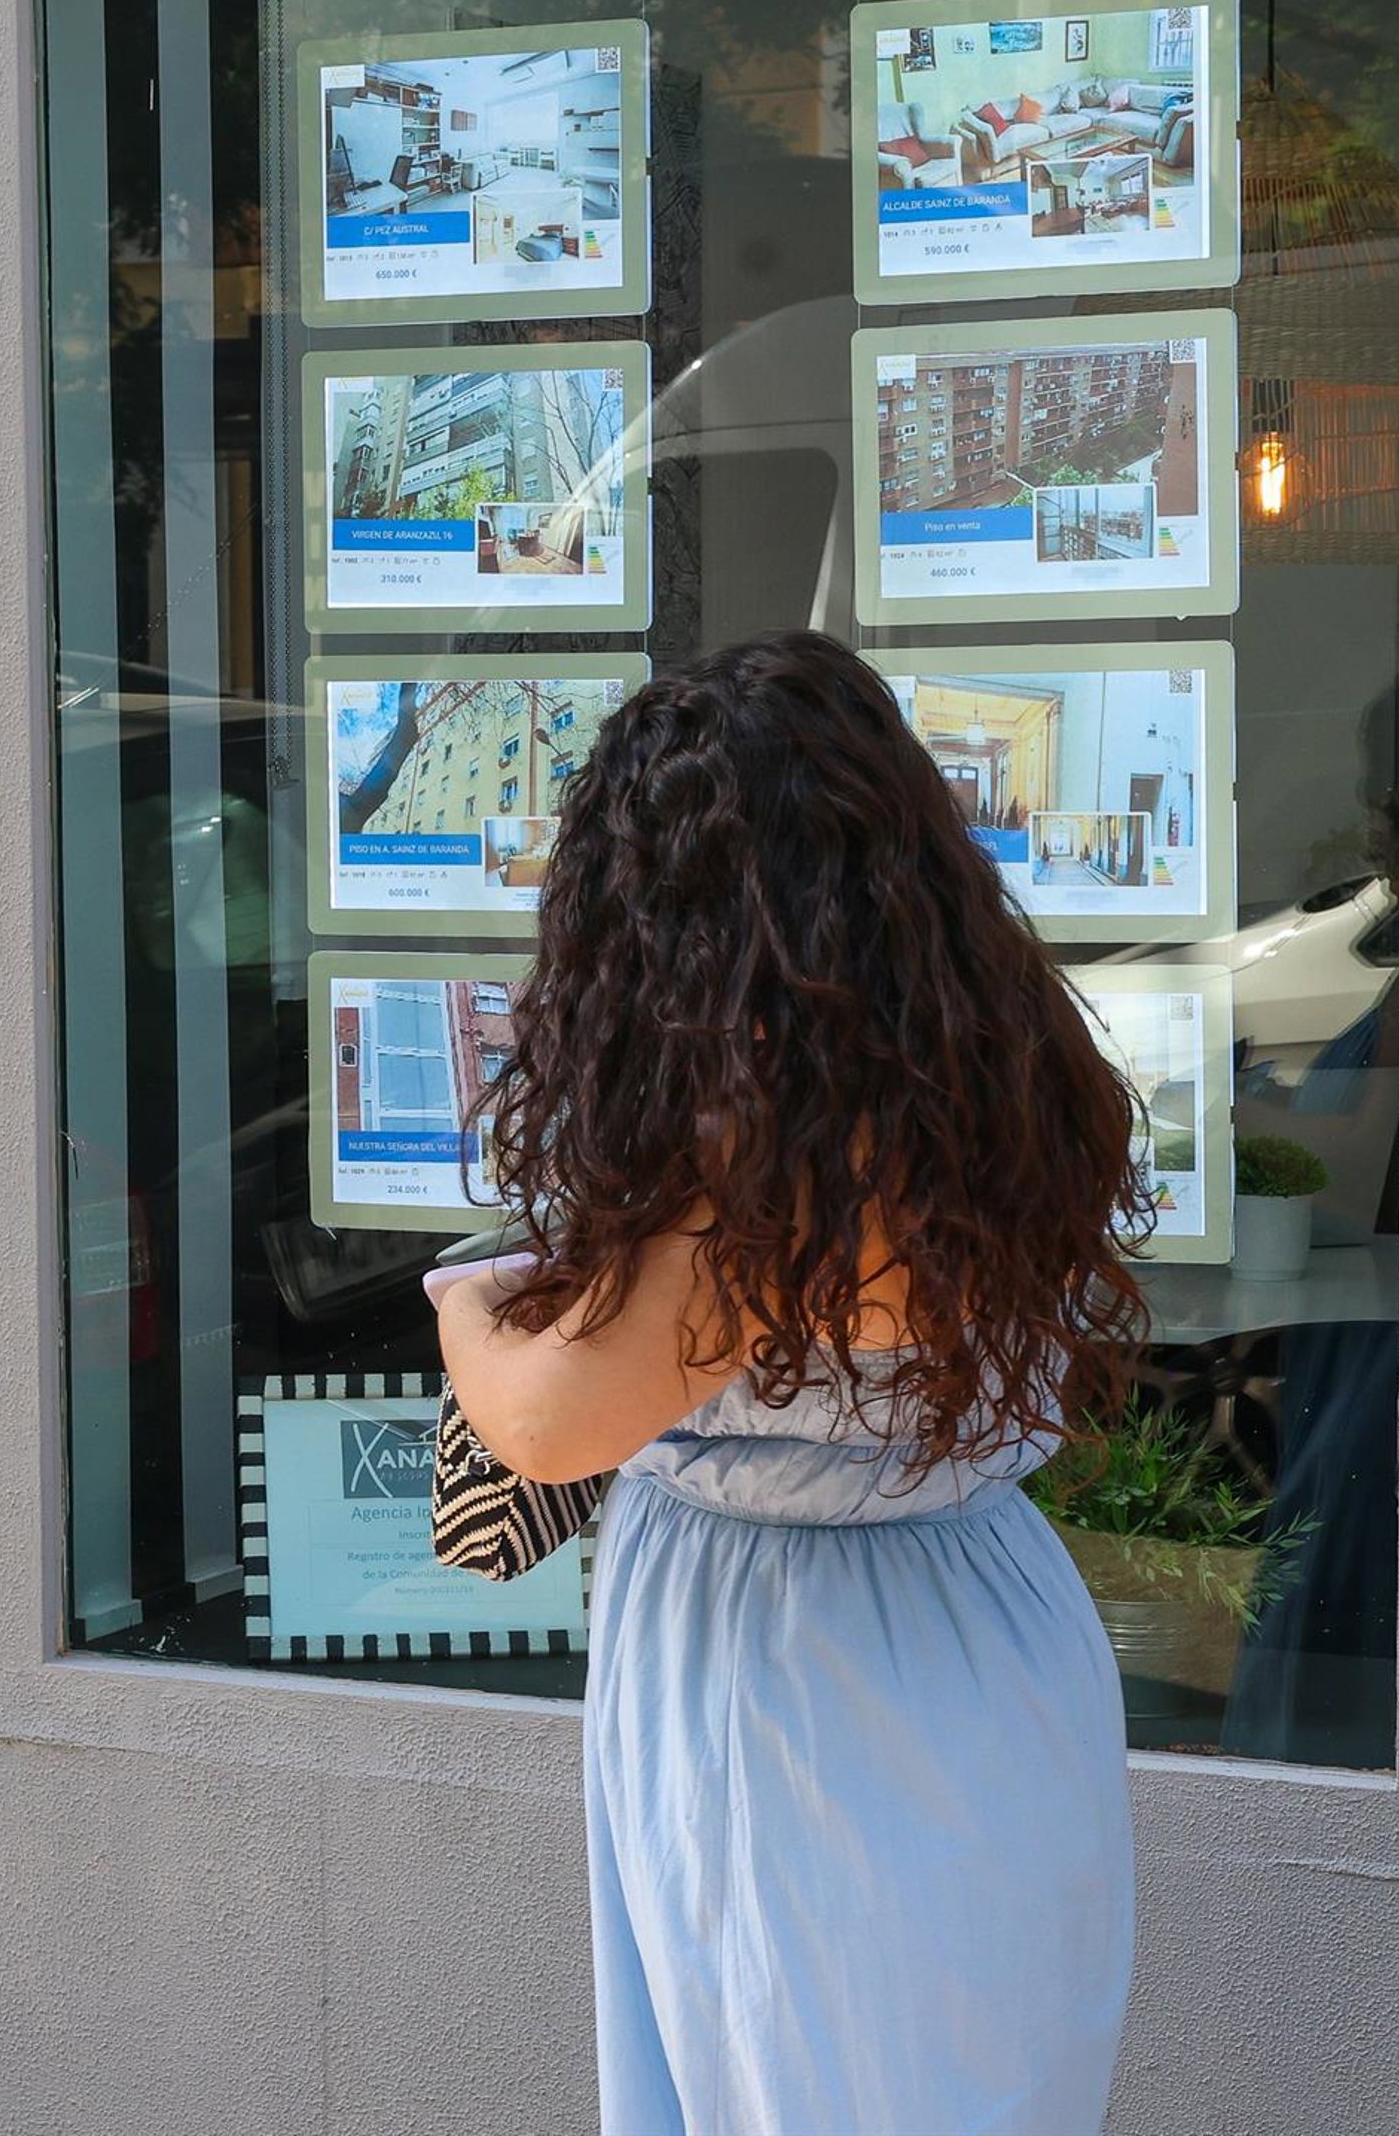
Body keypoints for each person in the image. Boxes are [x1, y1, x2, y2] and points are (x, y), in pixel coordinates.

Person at [435, 631, 1146, 2135]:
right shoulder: (1008, 1105)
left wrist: (468, 1301)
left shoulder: (764, 1195)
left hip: (789, 1685)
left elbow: (540, 1420)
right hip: (994, 1635)